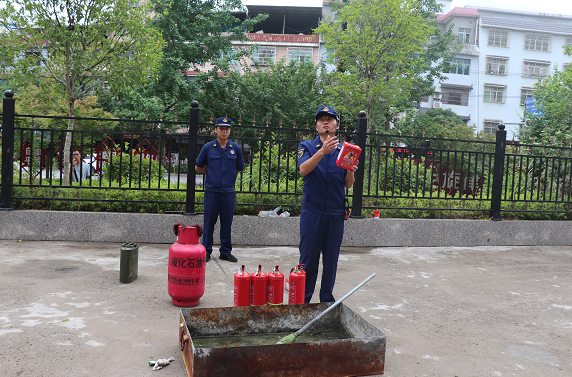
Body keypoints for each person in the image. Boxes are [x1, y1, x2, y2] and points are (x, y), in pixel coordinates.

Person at [297, 105, 358, 303]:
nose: (325, 122)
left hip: (335, 212)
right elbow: (303, 169)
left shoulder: (345, 150)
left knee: (331, 259)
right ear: (316, 126)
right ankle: (304, 300)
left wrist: (350, 171)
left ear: (336, 125)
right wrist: (322, 151)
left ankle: (326, 300)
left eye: (330, 119)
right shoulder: (306, 146)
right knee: (308, 259)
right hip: (312, 212)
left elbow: (348, 184)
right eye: (321, 119)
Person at [195, 117, 245, 263]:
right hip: (212, 191)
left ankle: (225, 252)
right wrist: (210, 173)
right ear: (215, 130)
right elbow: (198, 166)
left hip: (228, 192)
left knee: (227, 222)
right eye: (221, 128)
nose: (224, 131)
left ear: (230, 131)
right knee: (209, 222)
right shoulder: (208, 147)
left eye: (227, 128)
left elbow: (240, 167)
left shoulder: (235, 148)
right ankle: (206, 251)